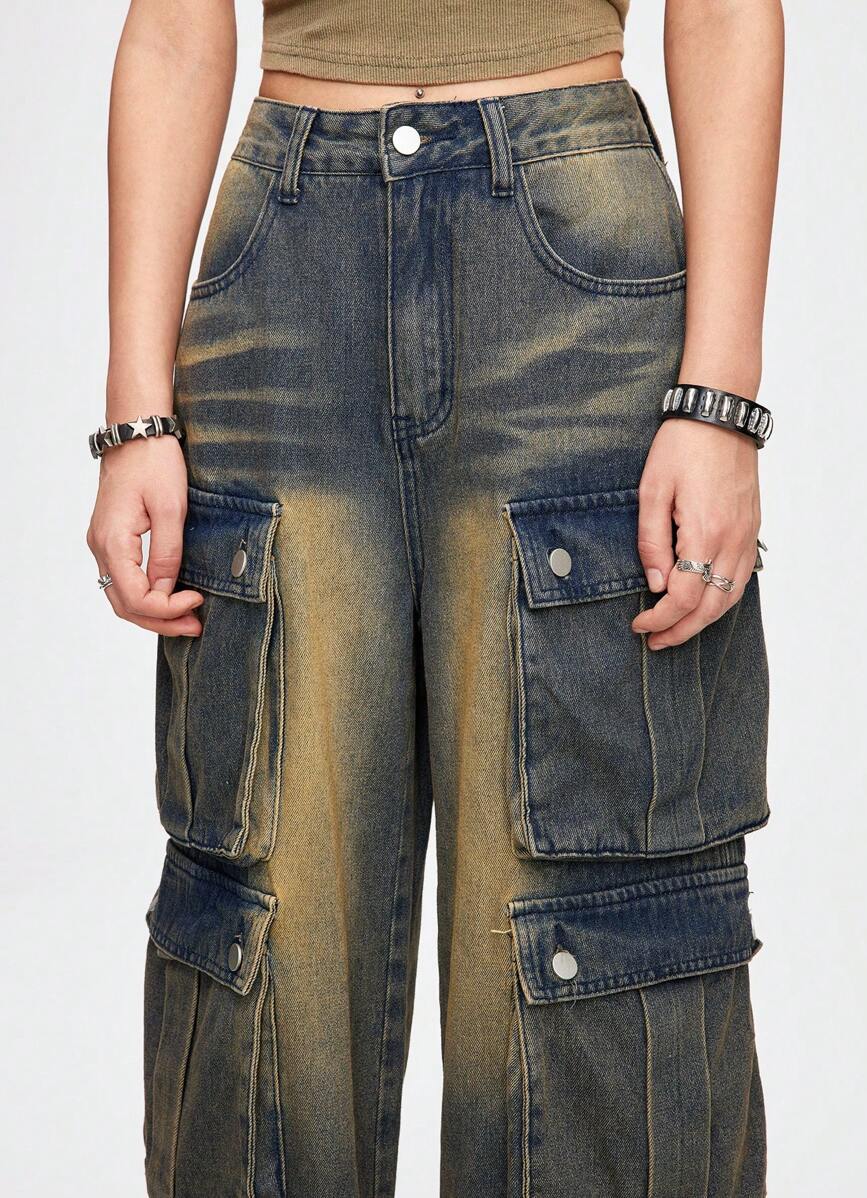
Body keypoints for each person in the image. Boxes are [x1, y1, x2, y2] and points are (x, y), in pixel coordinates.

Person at [86, 1, 784, 1194]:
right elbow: (173, 26)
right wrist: (134, 414)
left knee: (583, 930)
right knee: (271, 936)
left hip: (573, 262)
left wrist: (720, 398)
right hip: (283, 273)